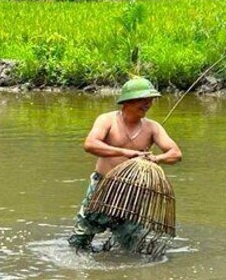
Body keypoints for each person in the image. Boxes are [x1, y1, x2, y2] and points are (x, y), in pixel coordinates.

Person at [67, 76, 182, 253]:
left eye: (150, 100)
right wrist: (125, 152)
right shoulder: (107, 120)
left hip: (133, 191)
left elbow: (175, 154)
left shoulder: (152, 127)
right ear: (128, 101)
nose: (148, 104)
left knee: (130, 241)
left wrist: (156, 159)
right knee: (82, 235)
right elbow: (90, 144)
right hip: (103, 185)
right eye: (143, 100)